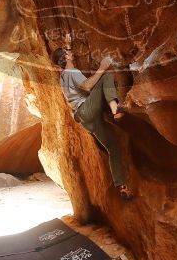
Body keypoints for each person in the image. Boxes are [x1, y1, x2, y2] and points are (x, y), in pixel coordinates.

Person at [51, 46, 134, 201]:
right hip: (86, 109)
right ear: (66, 57)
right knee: (106, 77)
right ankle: (115, 109)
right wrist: (102, 67)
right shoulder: (72, 72)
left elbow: (84, 88)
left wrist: (68, 43)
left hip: (86, 119)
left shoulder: (63, 76)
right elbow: (87, 86)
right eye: (68, 52)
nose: (71, 52)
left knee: (113, 148)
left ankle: (122, 186)